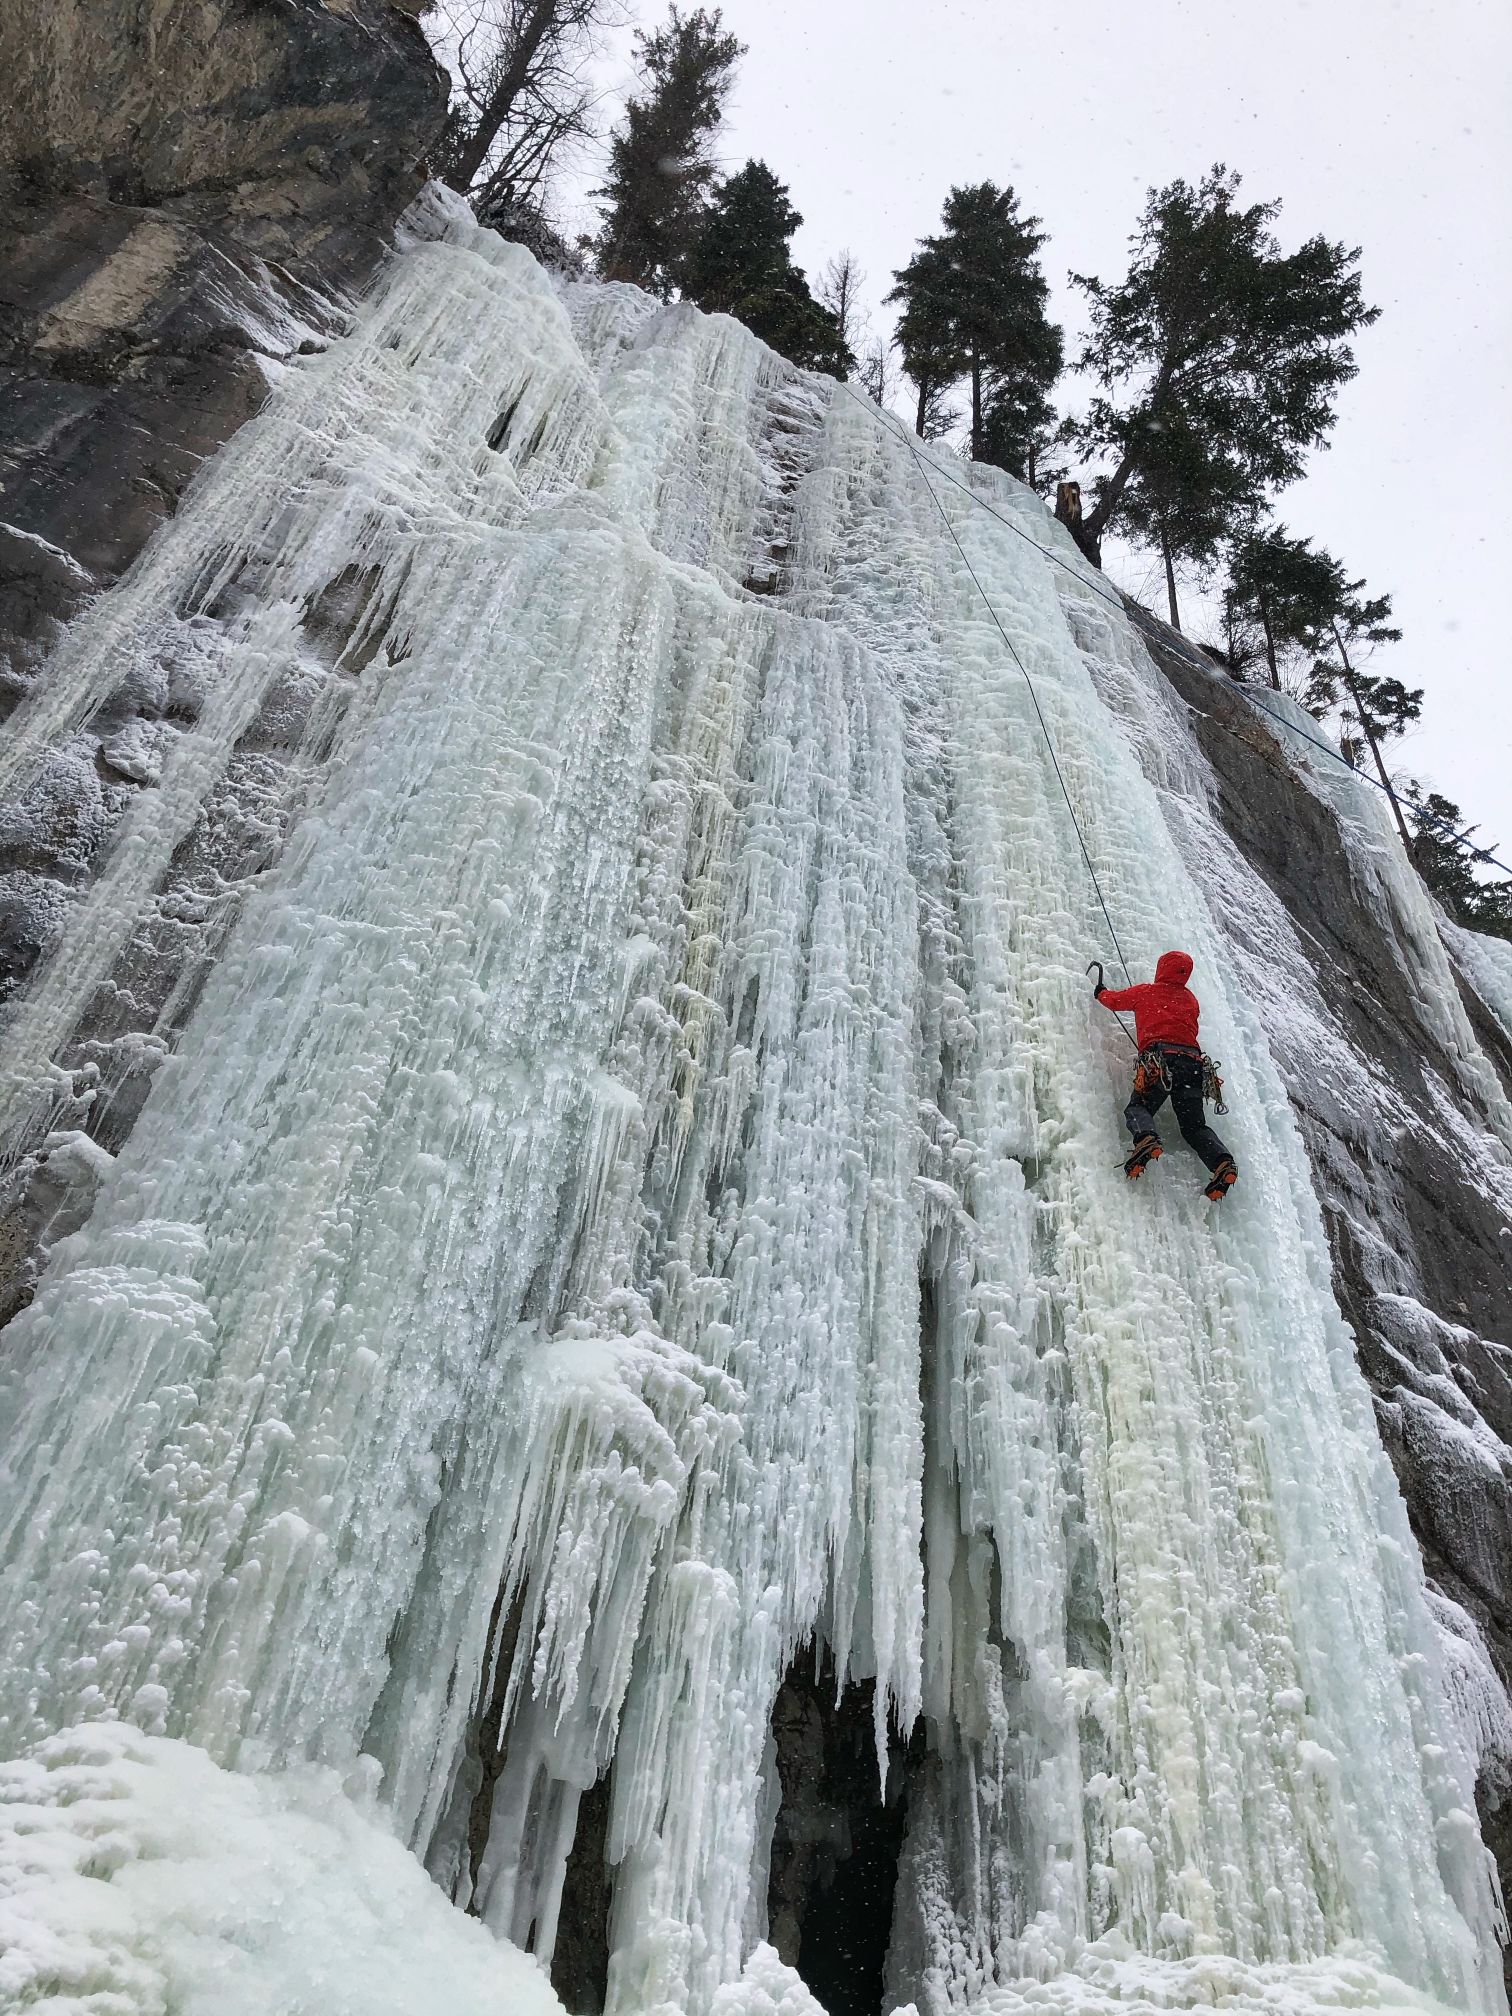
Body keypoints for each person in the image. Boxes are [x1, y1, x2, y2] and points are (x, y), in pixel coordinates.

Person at [1090, 950, 1238, 1200]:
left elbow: (1114, 1001)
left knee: (1138, 1109)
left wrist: (1100, 992)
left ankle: (1146, 1139)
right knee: (1193, 1127)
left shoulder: (1147, 991)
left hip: (1161, 1061)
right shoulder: (1190, 999)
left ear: (1162, 969)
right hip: (1193, 1066)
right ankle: (1222, 1162)